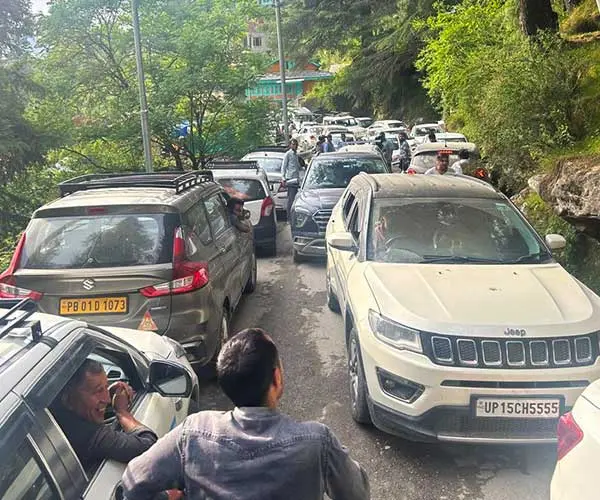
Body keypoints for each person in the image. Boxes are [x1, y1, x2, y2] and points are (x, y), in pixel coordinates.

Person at [122, 328, 370, 500]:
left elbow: (132, 483)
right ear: (276, 377)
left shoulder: (193, 433)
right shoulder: (317, 442)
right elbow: (357, 494)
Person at [52, 359, 158, 470]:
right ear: (68, 400)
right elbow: (150, 447)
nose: (107, 399)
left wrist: (106, 390)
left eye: (106, 387)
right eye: (98, 391)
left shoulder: (53, 417)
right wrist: (122, 412)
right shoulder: (89, 436)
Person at [281, 138, 301, 217]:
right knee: (291, 198)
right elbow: (284, 166)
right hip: (290, 178)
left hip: (296, 179)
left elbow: (297, 166)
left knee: (295, 198)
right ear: (290, 145)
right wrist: (283, 178)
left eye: (295, 144)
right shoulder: (288, 154)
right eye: (293, 144)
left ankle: (293, 215)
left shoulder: (296, 154)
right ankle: (289, 216)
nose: (294, 146)